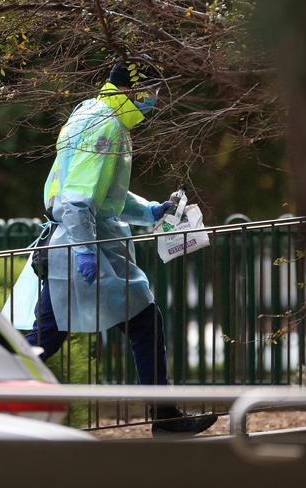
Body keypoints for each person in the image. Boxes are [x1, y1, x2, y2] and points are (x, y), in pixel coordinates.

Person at [25, 60, 217, 436]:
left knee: (52, 336)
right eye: (151, 93)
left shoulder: (98, 117)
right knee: (52, 337)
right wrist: (84, 251)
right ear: (131, 90)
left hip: (85, 241)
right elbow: (78, 199)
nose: (155, 102)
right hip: (82, 245)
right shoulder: (104, 126)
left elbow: (105, 192)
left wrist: (147, 211)